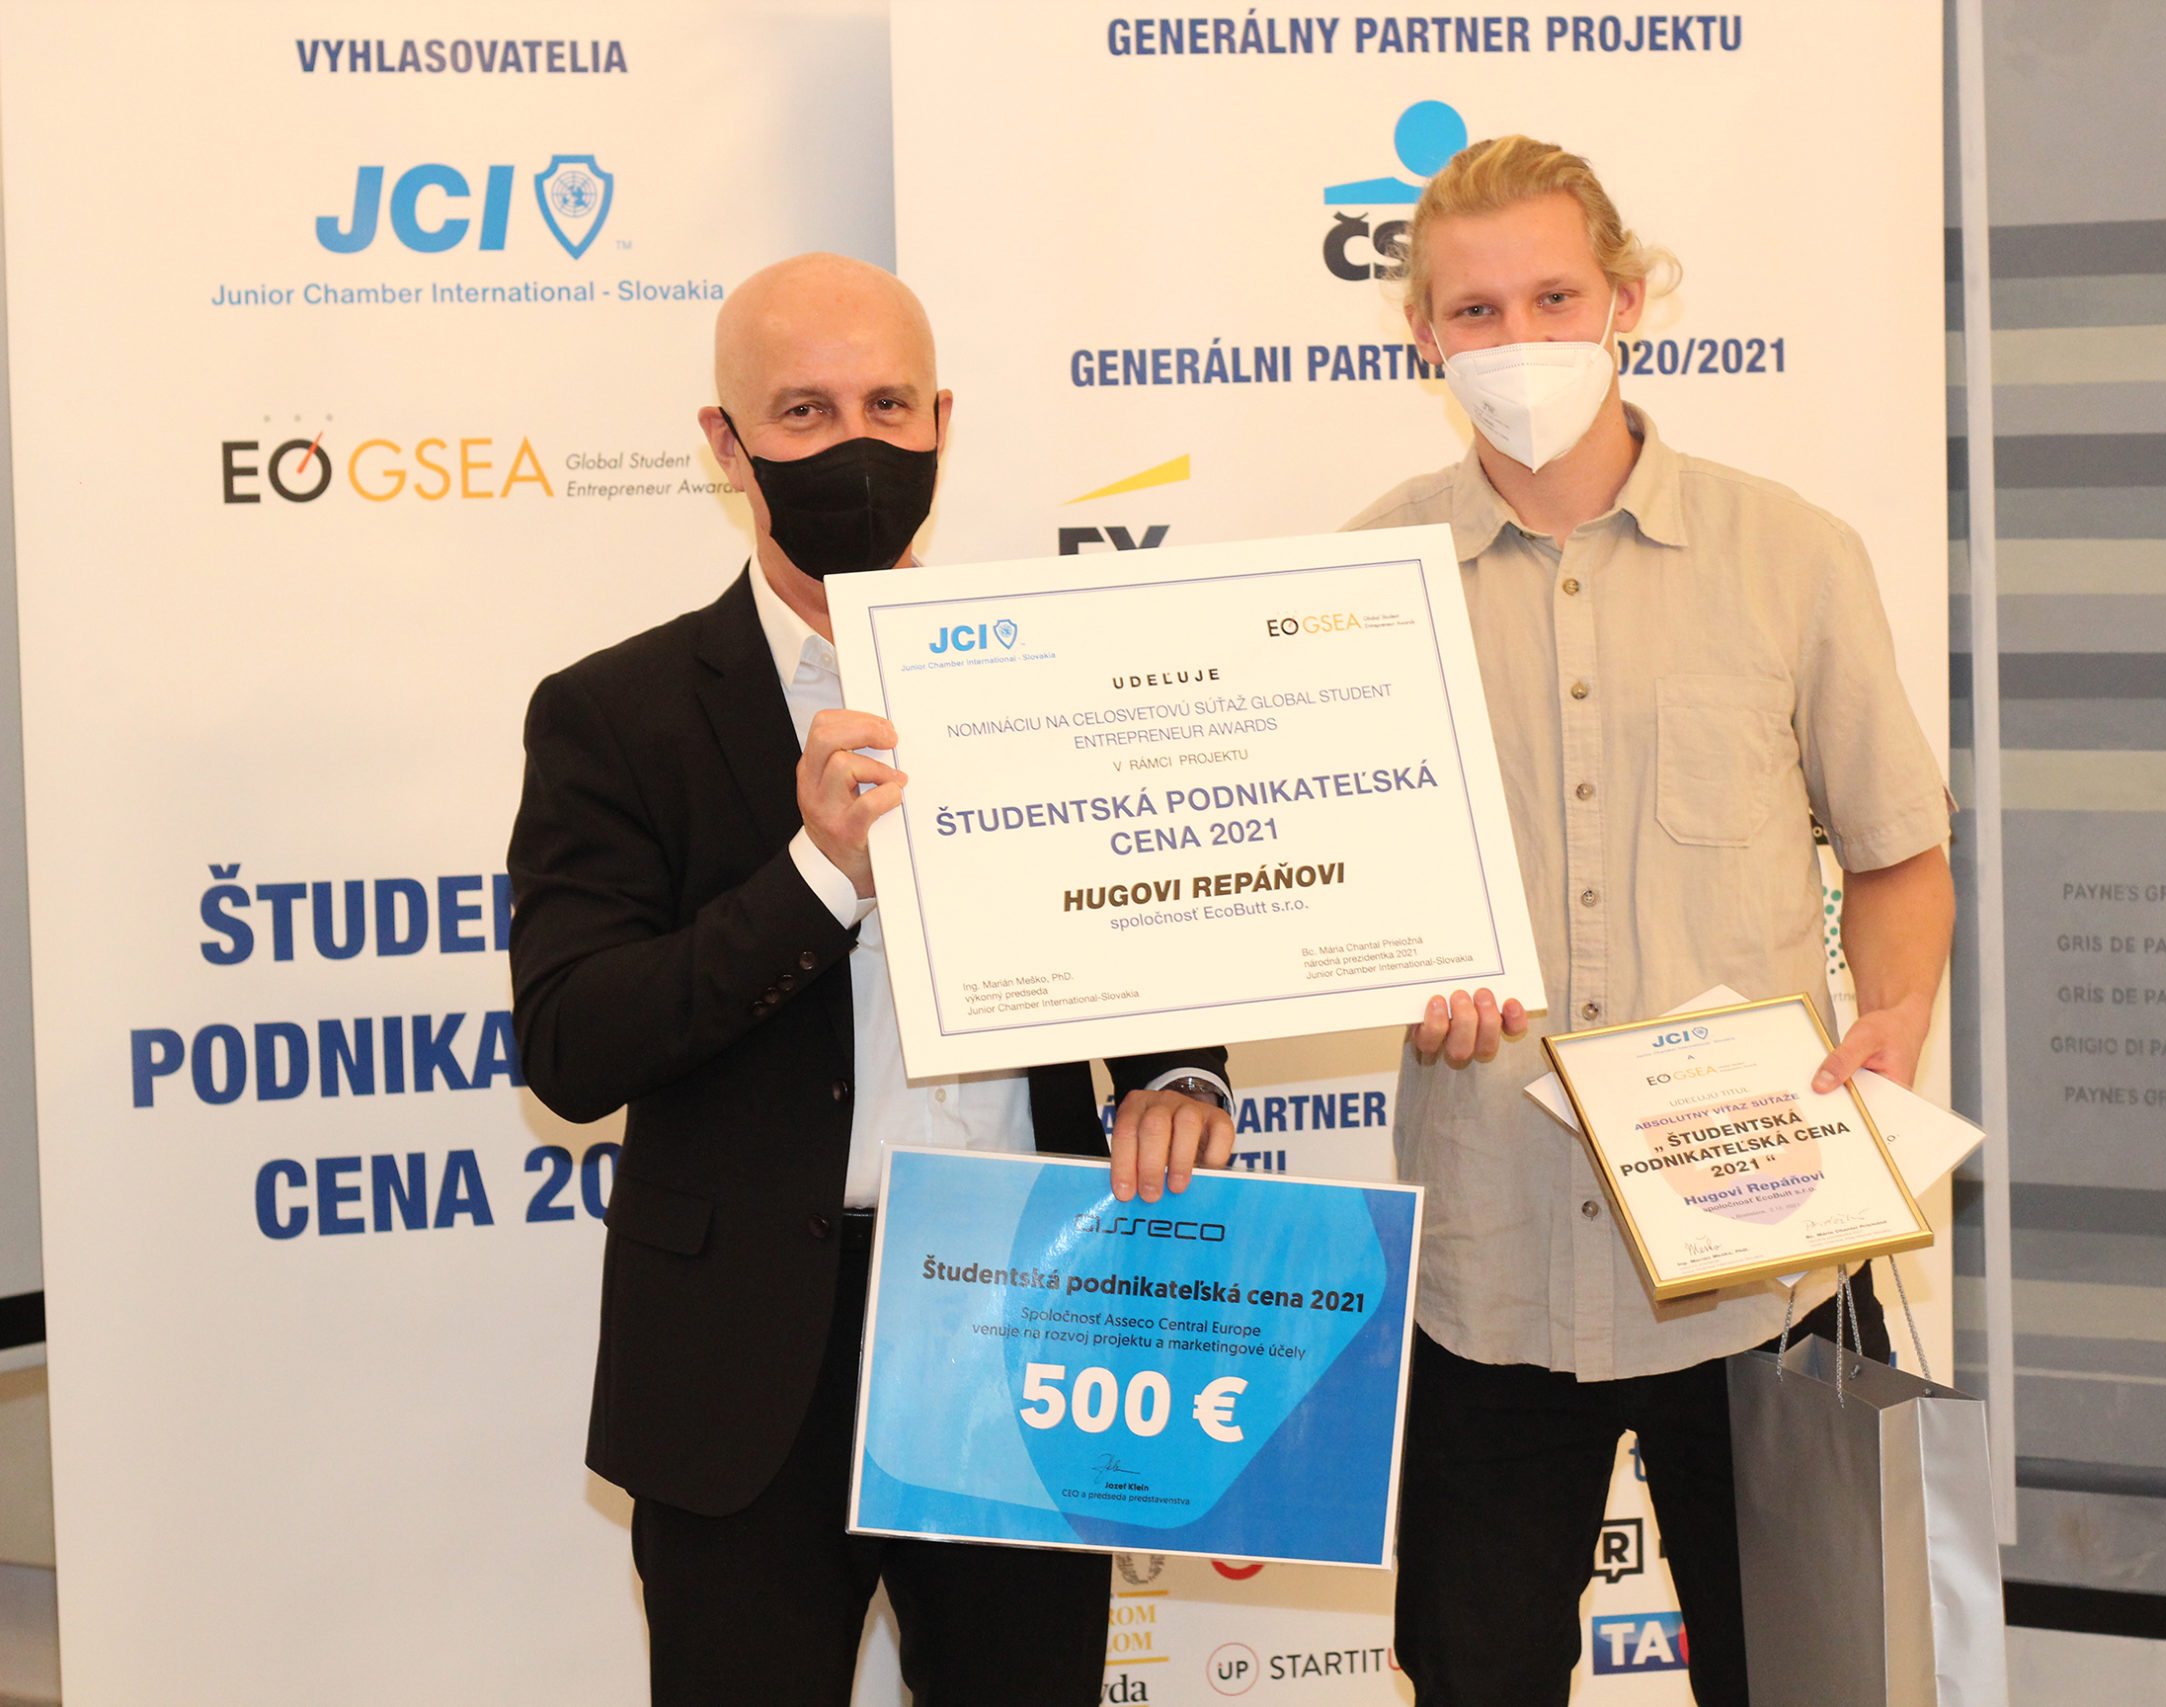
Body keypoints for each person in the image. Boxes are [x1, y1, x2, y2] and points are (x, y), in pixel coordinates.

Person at [506, 253, 1237, 1707]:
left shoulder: (1062, 674)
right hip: (742, 1361)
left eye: (889, 406)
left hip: (1024, 1321)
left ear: (942, 424)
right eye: (805, 411)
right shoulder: (615, 714)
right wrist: (817, 873)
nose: (856, 444)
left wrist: (1180, 1072)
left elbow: (1158, 912)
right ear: (727, 446)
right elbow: (575, 1047)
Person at [1347, 140, 1956, 1704]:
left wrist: (1893, 1021)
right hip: (1487, 1280)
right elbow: (1325, 901)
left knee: (1808, 1682)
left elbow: (1898, 856)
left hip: (1771, 1265)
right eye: (1476, 311)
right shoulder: (1359, 586)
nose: (1520, 339)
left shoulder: (1791, 556)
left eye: (1555, 297)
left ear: (1625, 299)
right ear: (1422, 336)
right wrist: (1396, 973)